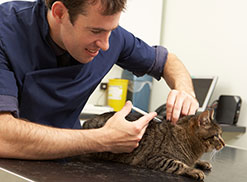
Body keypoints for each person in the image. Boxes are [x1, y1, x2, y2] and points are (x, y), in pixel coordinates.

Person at [0, 0, 199, 160]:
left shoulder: (113, 39)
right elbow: (3, 136)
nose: (105, 45)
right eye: (95, 31)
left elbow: (167, 61)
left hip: (69, 161)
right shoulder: (6, 29)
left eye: (110, 30)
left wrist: (184, 90)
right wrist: (102, 139)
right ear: (59, 12)